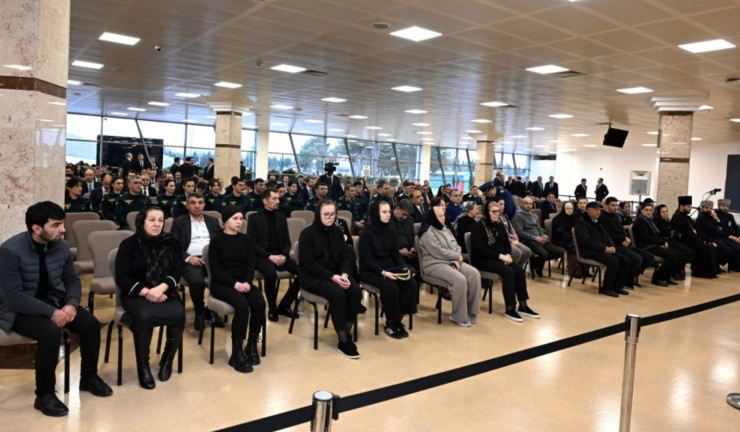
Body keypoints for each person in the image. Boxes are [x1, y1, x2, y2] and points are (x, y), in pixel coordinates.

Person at [0, 201, 112, 416]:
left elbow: (72, 280)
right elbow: (13, 297)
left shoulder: (61, 246)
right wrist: (51, 312)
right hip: (18, 309)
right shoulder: (10, 251)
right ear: (36, 228)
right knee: (50, 332)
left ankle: (89, 377)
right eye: (56, 225)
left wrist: (71, 304)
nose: (63, 229)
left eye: (62, 223)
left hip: (54, 301)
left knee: (90, 324)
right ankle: (44, 395)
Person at [114, 205, 185, 389]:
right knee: (145, 316)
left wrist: (160, 289)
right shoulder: (129, 244)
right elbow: (122, 277)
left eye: (160, 220)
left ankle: (167, 360)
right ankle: (143, 366)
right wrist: (147, 292)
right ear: (141, 222)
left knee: (179, 313)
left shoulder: (171, 242)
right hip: (135, 294)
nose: (157, 224)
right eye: (152, 220)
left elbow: (176, 271)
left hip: (164, 291)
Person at [298, 200, 362, 359]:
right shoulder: (307, 234)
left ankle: (346, 330)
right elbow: (308, 264)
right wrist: (332, 277)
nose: (330, 217)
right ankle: (343, 340)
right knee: (338, 294)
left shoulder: (337, 232)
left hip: (336, 274)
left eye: (333, 214)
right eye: (326, 214)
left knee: (355, 290)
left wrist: (345, 274)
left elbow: (345, 257)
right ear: (318, 214)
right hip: (313, 276)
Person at [207, 206, 265, 373]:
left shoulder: (245, 239)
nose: (239, 222)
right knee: (242, 305)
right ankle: (236, 352)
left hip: (243, 281)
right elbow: (216, 270)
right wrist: (234, 283)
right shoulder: (216, 240)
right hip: (222, 284)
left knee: (259, 303)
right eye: (235, 218)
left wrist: (247, 281)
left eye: (241, 218)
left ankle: (252, 344)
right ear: (226, 220)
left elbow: (251, 264)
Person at [470, 201, 539, 322]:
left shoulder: (499, 225)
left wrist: (507, 254)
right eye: (493, 212)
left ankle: (523, 305)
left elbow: (507, 244)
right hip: (483, 260)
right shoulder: (479, 227)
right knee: (509, 272)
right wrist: (501, 256)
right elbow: (480, 249)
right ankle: (510, 308)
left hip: (500, 257)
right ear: (487, 212)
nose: (497, 214)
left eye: (498, 211)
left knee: (519, 270)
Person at [418, 198, 481, 327]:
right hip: (434, 264)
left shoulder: (445, 229)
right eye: (440, 216)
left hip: (452, 260)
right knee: (459, 279)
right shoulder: (427, 232)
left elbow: (456, 245)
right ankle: (458, 315)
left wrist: (455, 257)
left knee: (474, 274)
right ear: (433, 217)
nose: (443, 219)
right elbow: (437, 251)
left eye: (443, 216)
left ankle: (471, 311)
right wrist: (456, 256)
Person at [359, 201, 417, 339]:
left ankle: (397, 320)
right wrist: (383, 273)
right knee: (391, 287)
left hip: (389, 267)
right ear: (376, 213)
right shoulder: (366, 233)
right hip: (370, 271)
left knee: (411, 284)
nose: (388, 215)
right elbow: (367, 260)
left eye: (388, 212)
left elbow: (395, 254)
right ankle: (390, 322)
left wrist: (405, 267)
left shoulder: (391, 230)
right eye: (384, 212)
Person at [170, 192, 224, 330]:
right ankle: (199, 312)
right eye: (193, 203)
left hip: (212, 258)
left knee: (223, 278)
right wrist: (188, 258)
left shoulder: (213, 221)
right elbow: (173, 245)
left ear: (204, 205)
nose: (197, 206)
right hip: (191, 259)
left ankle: (212, 310)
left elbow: (221, 241)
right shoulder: (179, 222)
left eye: (200, 203)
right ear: (187, 205)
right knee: (197, 282)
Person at [247, 189, 301, 322]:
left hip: (280, 255)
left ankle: (284, 305)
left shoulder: (281, 217)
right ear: (265, 201)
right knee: (271, 275)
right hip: (262, 256)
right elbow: (252, 244)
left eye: (278, 198)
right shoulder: (254, 218)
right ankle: (272, 308)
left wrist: (284, 255)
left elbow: (287, 242)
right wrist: (269, 256)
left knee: (303, 273)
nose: (278, 201)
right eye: (274, 198)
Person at [574, 202, 631, 297]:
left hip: (601, 249)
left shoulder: (598, 221)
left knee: (625, 260)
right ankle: (606, 288)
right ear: (589, 210)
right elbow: (587, 241)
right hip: (588, 251)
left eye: (600, 210)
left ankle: (617, 286)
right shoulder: (582, 222)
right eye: (596, 210)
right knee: (613, 261)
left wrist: (612, 246)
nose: (599, 212)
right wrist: (605, 248)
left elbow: (607, 236)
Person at [600, 197, 654, 288]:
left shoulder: (615, 216)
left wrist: (625, 238)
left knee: (649, 257)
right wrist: (623, 238)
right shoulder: (603, 217)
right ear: (606, 205)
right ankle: (624, 281)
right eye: (613, 205)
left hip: (623, 243)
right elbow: (607, 235)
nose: (615, 207)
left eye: (616, 205)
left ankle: (629, 278)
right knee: (636, 259)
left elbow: (620, 230)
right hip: (613, 245)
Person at [632, 203, 685, 287]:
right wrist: (661, 242)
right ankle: (657, 278)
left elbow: (656, 235)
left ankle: (666, 276)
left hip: (653, 244)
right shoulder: (640, 221)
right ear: (641, 211)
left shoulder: (649, 221)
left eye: (650, 210)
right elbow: (646, 238)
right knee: (672, 256)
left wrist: (661, 242)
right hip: (645, 246)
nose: (649, 212)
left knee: (678, 254)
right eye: (646, 210)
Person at [511, 197, 565, 278]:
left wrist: (542, 236)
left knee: (559, 252)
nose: (529, 205)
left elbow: (538, 228)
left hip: (539, 238)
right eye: (526, 203)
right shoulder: (517, 216)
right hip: (528, 240)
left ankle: (534, 261)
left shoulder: (533, 215)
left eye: (530, 204)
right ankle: (538, 267)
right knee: (544, 254)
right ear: (522, 204)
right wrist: (535, 238)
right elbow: (520, 232)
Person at [670, 196, 719, 278]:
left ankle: (711, 272)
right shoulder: (677, 217)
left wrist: (709, 240)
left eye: (690, 206)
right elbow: (684, 234)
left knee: (712, 247)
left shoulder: (687, 217)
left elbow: (698, 230)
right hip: (684, 241)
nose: (690, 209)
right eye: (688, 207)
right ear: (681, 206)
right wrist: (699, 240)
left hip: (693, 240)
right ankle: (701, 273)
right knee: (706, 248)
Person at [551, 201, 579, 276]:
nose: (569, 210)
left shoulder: (574, 218)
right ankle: (572, 270)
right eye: (567, 208)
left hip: (571, 239)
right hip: (559, 239)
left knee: (583, 246)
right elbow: (561, 232)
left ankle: (582, 270)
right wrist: (572, 238)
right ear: (564, 209)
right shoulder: (558, 219)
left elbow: (578, 230)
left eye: (571, 209)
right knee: (574, 247)